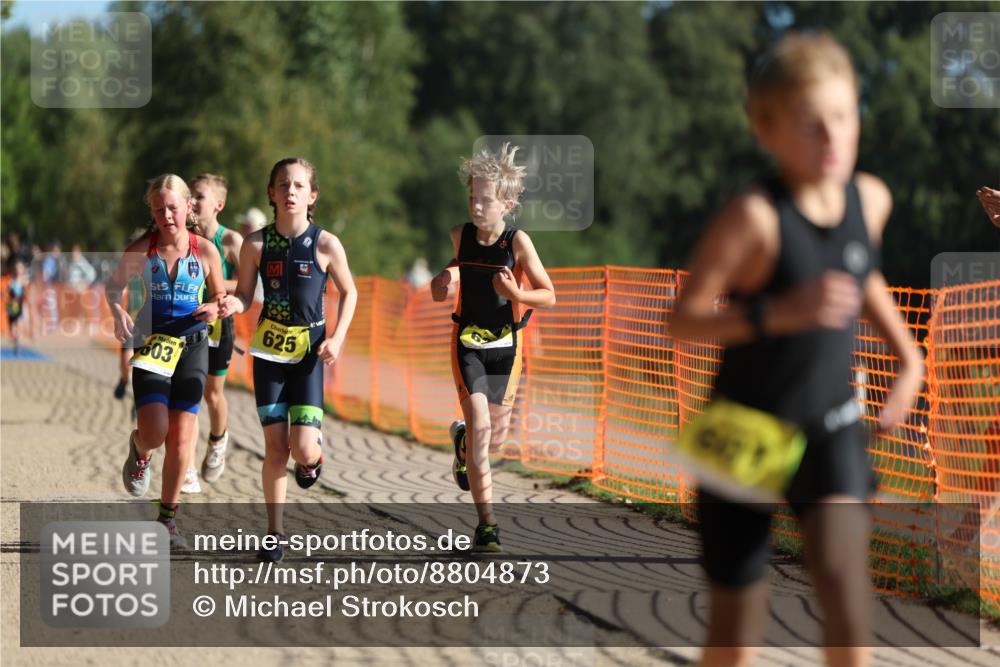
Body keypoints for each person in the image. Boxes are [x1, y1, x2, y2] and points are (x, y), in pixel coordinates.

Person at [669, 33, 924, 667]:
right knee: (736, 627)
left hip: (832, 423)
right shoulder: (754, 218)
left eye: (844, 116)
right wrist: (778, 312)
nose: (833, 137)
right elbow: (683, 320)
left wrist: (907, 357)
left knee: (844, 585)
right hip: (746, 429)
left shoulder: (870, 198)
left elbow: (858, 270)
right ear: (767, 129)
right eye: (812, 125)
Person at [219, 158, 357, 562]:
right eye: (283, 185)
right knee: (275, 448)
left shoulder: (326, 243)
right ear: (271, 193)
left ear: (312, 195)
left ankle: (314, 456)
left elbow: (350, 293)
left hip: (310, 354)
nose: (290, 191)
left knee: (303, 451)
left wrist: (338, 337)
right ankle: (275, 533)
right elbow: (246, 295)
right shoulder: (256, 245)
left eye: (299, 185)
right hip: (269, 355)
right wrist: (232, 302)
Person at [430, 143, 556, 552]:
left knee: (494, 440)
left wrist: (516, 290)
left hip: (507, 347)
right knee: (484, 430)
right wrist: (445, 278)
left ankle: (462, 441)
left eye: (485, 200)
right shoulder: (460, 235)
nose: (476, 206)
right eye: (472, 198)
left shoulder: (518, 243)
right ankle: (488, 525)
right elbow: (458, 266)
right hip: (467, 343)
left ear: (507, 202)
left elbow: (548, 295)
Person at [105, 174, 225, 548]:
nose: (166, 215)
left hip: (192, 345)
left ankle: (167, 520)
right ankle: (140, 450)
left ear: (188, 208)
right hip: (152, 341)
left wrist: (213, 309)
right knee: (156, 431)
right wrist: (117, 312)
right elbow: (113, 286)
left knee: (181, 441)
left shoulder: (205, 250)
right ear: (152, 212)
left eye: (173, 207)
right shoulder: (143, 248)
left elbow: (220, 297)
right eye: (159, 209)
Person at [179, 173, 244, 494]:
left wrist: (214, 285)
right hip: (188, 323)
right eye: (189, 195)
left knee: (212, 394)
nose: (192, 201)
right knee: (188, 395)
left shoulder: (230, 240)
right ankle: (187, 468)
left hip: (220, 323)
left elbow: (250, 286)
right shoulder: (183, 237)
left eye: (199, 196)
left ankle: (218, 439)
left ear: (219, 204)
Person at [6, 259, 28, 354]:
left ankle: (17, 343)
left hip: (20, 305)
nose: (18, 269)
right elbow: (8, 292)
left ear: (23, 269)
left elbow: (26, 293)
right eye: (16, 268)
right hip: (12, 305)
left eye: (20, 267)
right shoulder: (11, 280)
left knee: (18, 323)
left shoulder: (24, 281)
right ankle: (14, 339)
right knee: (12, 325)